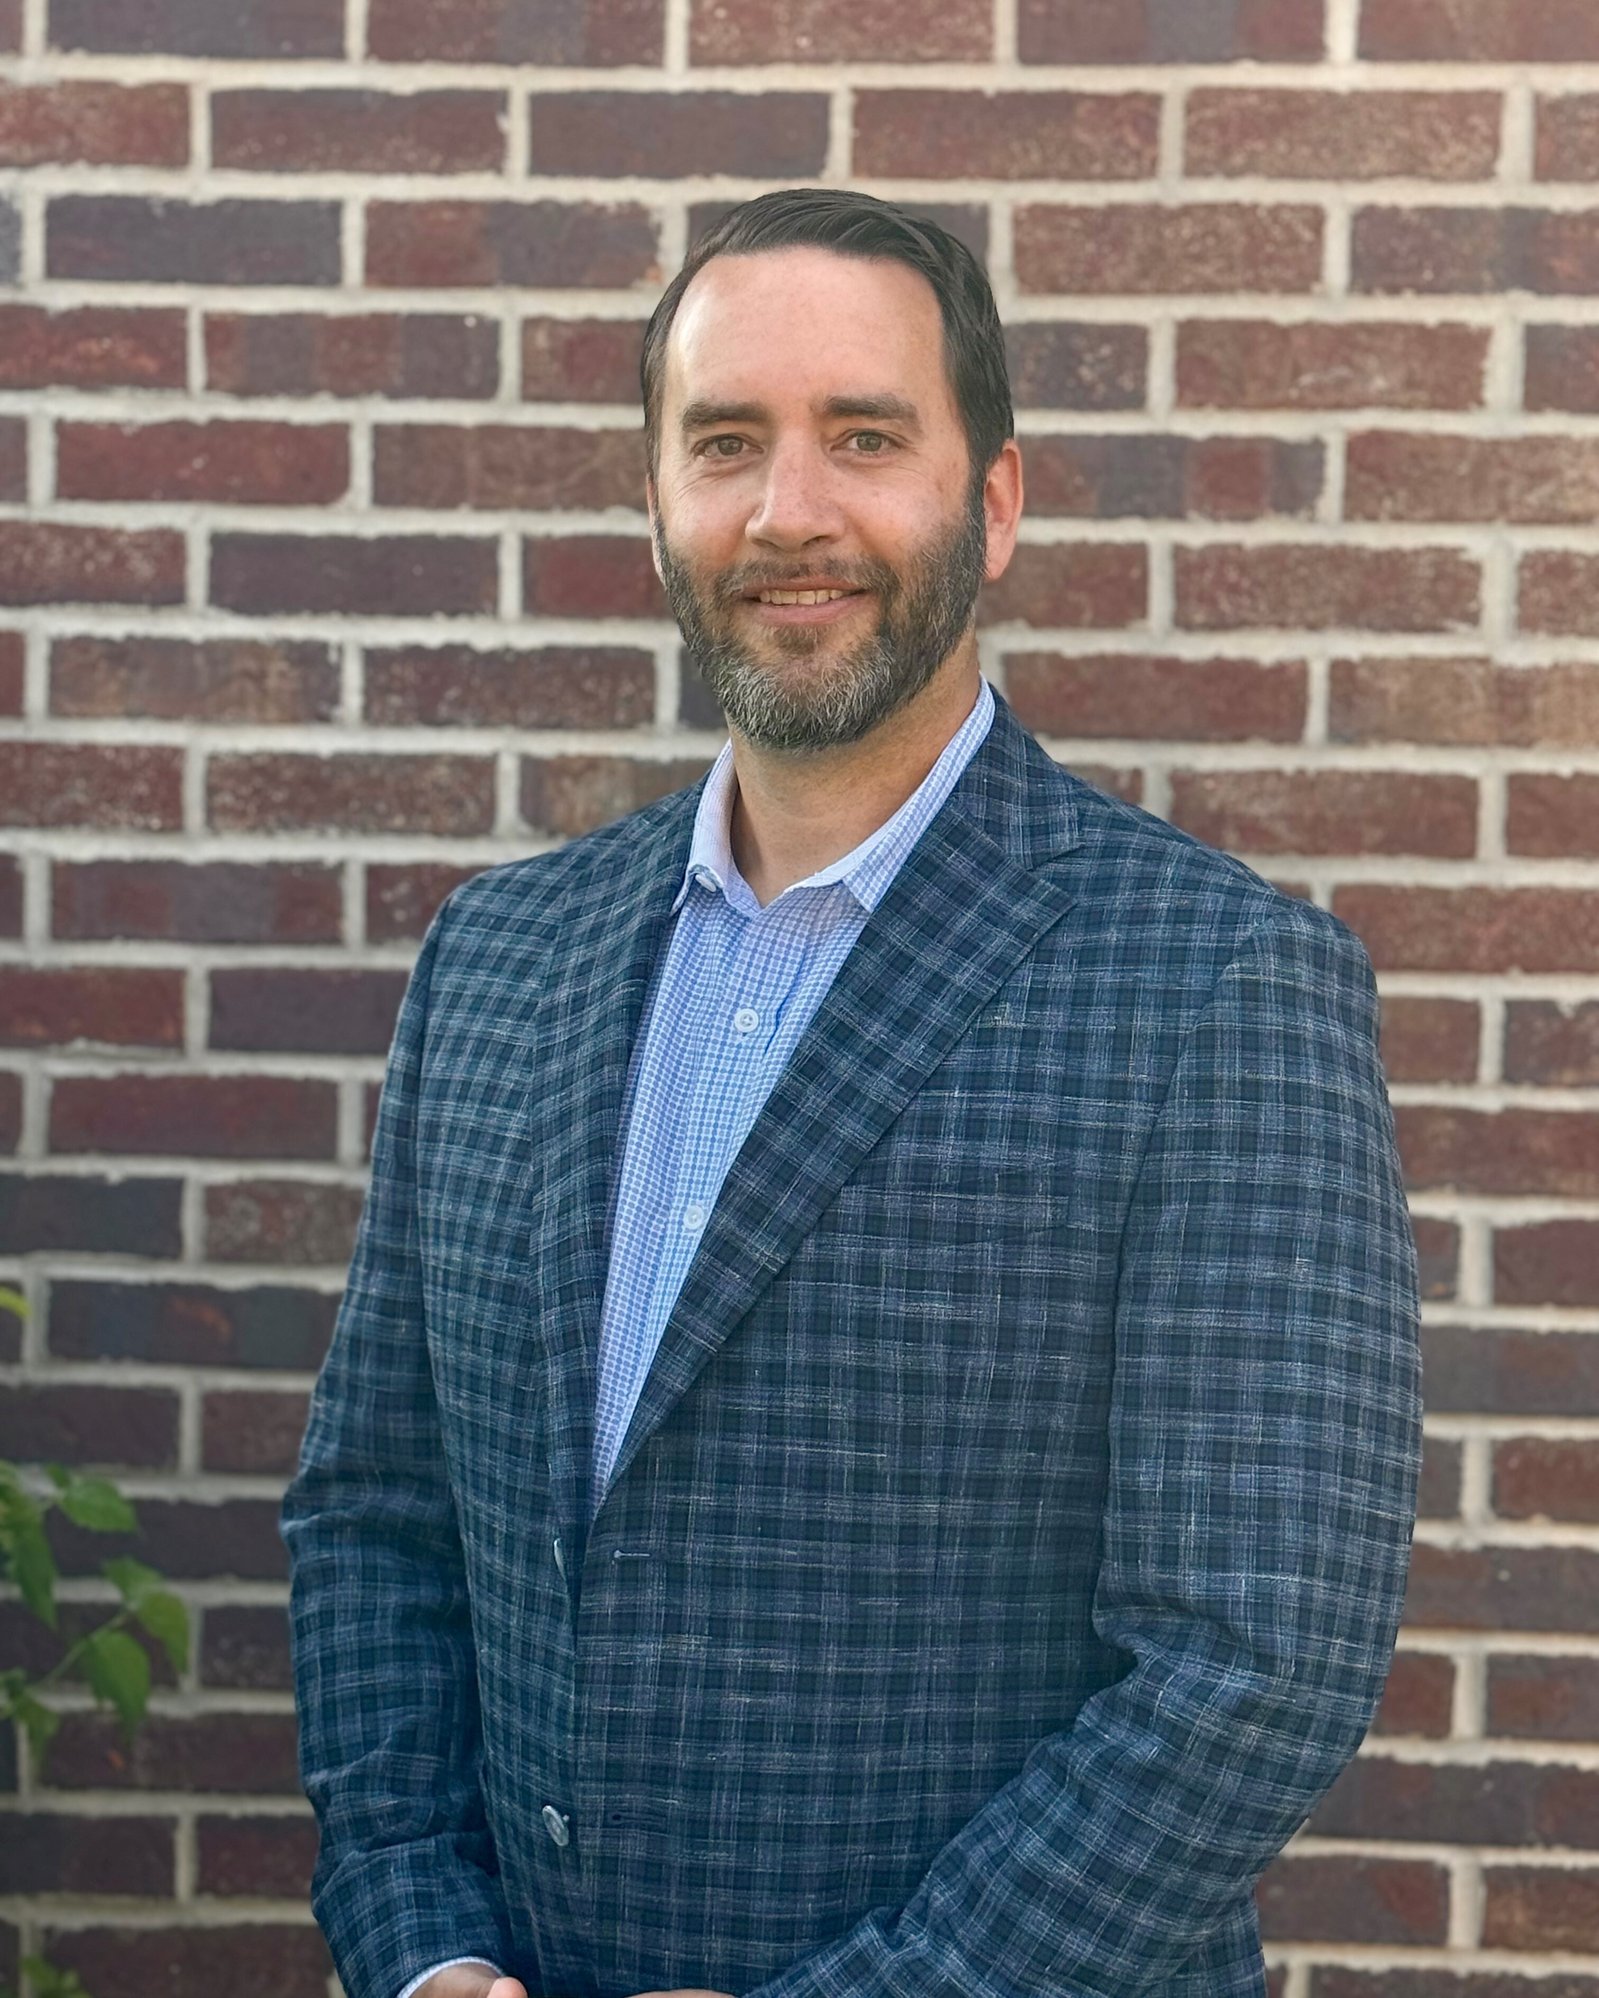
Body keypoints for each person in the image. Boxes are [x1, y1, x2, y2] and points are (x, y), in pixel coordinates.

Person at [282, 187, 1422, 1998]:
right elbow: (378, 1517)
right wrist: (422, 1946)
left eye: (865, 438)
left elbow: (1250, 1663)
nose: (788, 511)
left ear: (996, 501)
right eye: (725, 441)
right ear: (657, 499)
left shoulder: (1216, 986)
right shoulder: (496, 962)